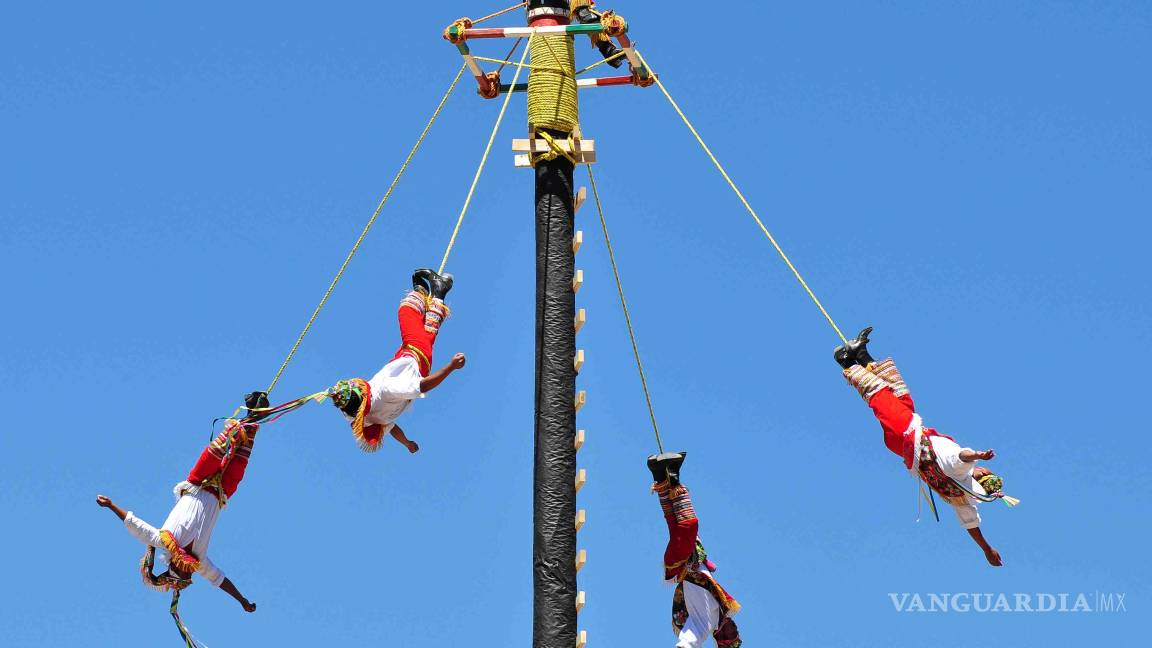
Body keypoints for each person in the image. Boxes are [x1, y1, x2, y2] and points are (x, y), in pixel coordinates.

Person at [834, 327, 1014, 567]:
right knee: (901, 396)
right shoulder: (962, 498)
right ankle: (861, 353)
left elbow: (963, 455)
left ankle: (846, 361)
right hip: (909, 438)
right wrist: (986, 548)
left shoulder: (962, 471)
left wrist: (978, 454)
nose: (984, 468)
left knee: (880, 395)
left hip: (908, 435)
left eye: (986, 472)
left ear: (981, 477)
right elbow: (971, 524)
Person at [95, 391, 269, 608]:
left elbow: (134, 525)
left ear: (175, 568)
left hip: (197, 482)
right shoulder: (201, 561)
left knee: (219, 447)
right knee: (243, 453)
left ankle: (249, 413)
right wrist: (242, 600)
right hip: (222, 492)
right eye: (190, 576)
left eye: (185, 574)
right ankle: (255, 413)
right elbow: (220, 580)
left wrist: (111, 506)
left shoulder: (163, 540)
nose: (190, 572)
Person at [330, 268, 466, 453]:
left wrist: (407, 443)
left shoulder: (370, 418)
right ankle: (424, 291)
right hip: (415, 352)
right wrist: (451, 367)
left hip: (414, 359)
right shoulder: (385, 389)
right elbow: (423, 386)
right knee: (406, 313)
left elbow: (392, 428)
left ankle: (439, 293)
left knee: (429, 327)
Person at [648, 452, 742, 648]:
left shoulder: (705, 623)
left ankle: (672, 475)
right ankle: (659, 473)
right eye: (737, 632)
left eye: (733, 634)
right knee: (674, 520)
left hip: (681, 564)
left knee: (689, 523)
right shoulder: (719, 606)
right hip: (690, 558)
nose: (735, 628)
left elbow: (689, 641)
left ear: (722, 638)